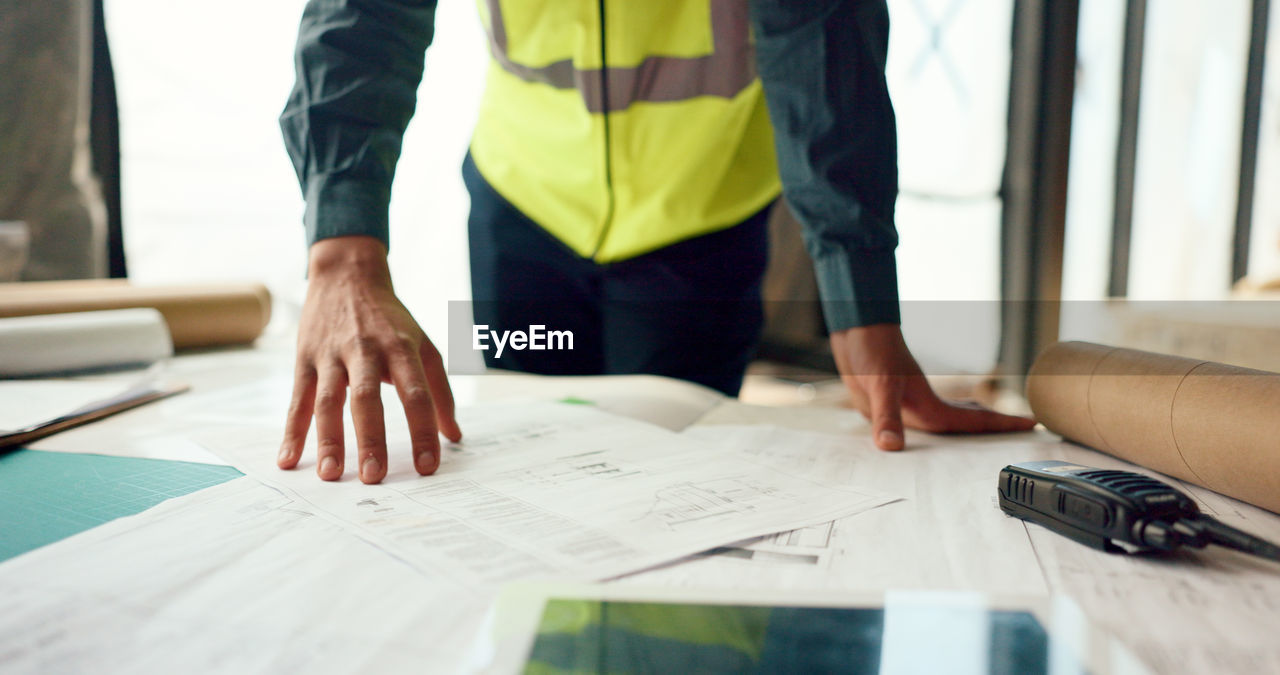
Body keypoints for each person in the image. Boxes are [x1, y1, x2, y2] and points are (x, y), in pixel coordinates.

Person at [275, 0, 1035, 485]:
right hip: (522, 210)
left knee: (675, 487)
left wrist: (859, 297)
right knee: (524, 471)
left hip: (698, 225)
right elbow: (363, 22)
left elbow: (822, 36)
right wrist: (341, 251)